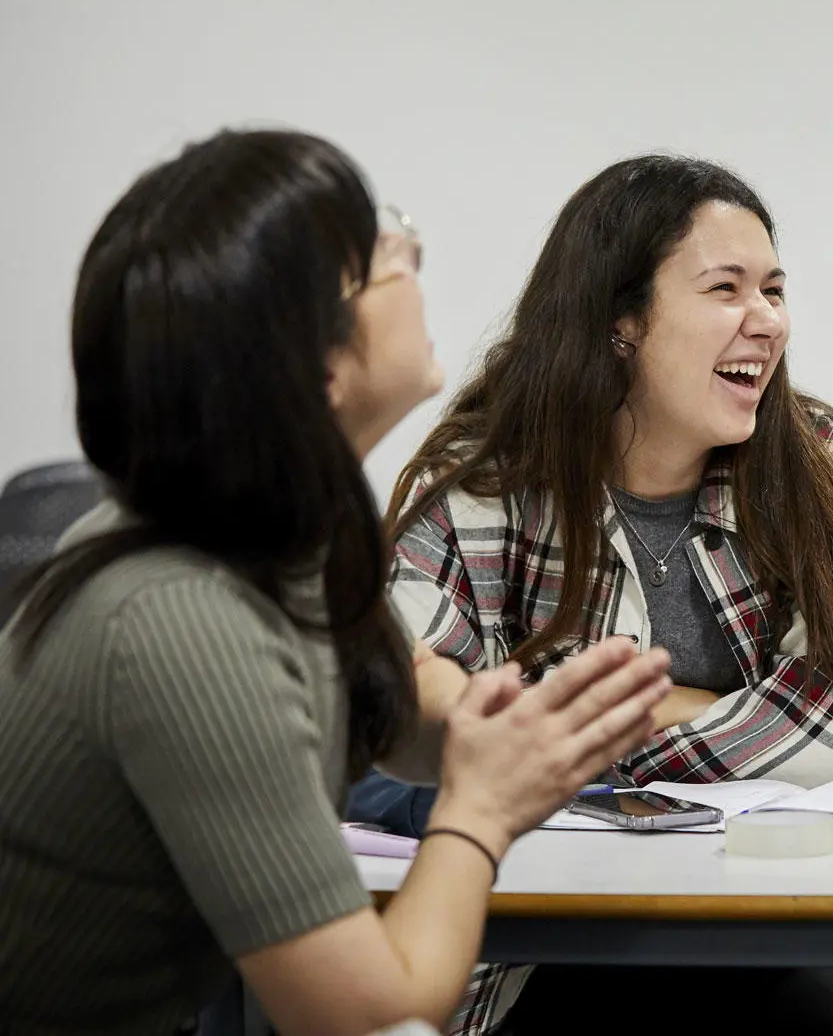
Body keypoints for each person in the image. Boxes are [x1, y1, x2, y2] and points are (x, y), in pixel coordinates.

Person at [0, 129, 672, 1036]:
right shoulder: (185, 620)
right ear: (319, 370)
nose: (413, 254)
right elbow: (369, 1018)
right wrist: (479, 810)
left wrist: (489, 723)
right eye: (379, 252)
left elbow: (388, 696)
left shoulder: (278, 529)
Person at [365, 155, 833, 1033]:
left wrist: (562, 743)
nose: (767, 322)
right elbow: (409, 704)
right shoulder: (486, 482)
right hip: (542, 941)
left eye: (775, 290)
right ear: (622, 322)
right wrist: (713, 710)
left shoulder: (820, 463)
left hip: (772, 919)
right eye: (726, 289)